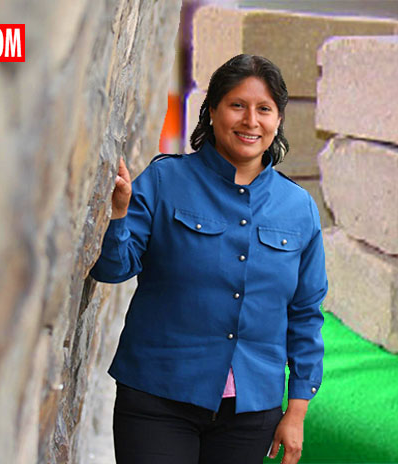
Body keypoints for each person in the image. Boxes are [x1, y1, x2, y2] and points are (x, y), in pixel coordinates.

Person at [90, 54, 328, 464]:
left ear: (278, 120)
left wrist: (297, 410)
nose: (250, 120)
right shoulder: (164, 180)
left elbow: (305, 314)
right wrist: (118, 213)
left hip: (251, 411)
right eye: (237, 105)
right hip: (157, 398)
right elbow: (112, 269)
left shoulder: (299, 208)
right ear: (212, 110)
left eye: (264, 109)